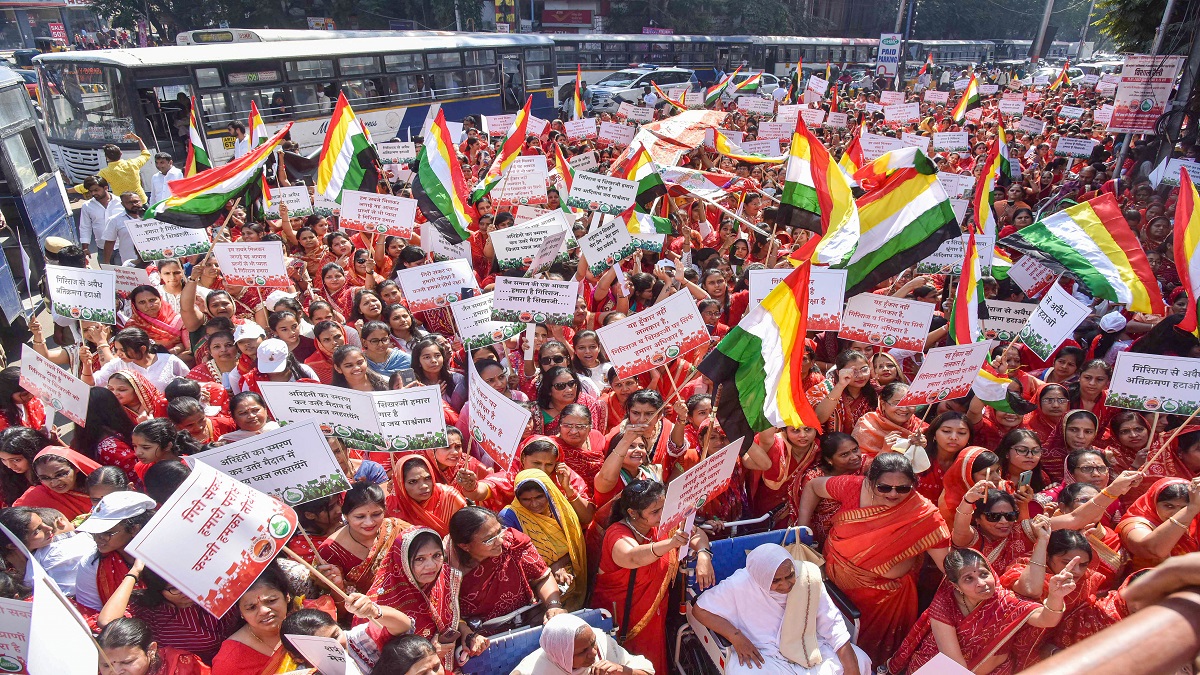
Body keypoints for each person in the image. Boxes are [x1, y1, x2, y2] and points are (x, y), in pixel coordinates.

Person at [796, 453, 950, 664]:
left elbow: (948, 566)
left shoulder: (924, 516)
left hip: (884, 602)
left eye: (903, 488)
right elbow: (813, 486)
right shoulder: (852, 487)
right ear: (869, 481)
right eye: (884, 487)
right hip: (833, 583)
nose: (893, 494)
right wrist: (803, 531)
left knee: (870, 654)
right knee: (829, 639)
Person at [884, 547, 1077, 674]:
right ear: (956, 586)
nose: (981, 583)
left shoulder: (1003, 601)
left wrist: (1055, 595)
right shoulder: (944, 604)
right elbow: (954, 663)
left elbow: (1046, 620)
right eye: (969, 579)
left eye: (984, 574)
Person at [591, 480, 714, 675]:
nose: (662, 515)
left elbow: (696, 534)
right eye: (654, 512)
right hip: (622, 620)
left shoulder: (664, 524)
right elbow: (632, 556)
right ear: (632, 513)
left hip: (654, 614)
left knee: (653, 663)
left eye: (664, 508)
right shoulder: (617, 534)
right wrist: (671, 543)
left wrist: (704, 555)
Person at [693, 543, 871, 675]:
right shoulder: (739, 584)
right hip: (765, 654)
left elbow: (833, 625)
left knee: (860, 660)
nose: (786, 585)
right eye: (776, 580)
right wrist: (736, 636)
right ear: (760, 577)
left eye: (790, 575)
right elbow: (700, 609)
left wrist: (851, 669)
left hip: (808, 645)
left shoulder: (807, 577)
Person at [366, 527, 488, 671]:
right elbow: (378, 661)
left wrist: (466, 632)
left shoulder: (444, 577)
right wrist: (429, 654)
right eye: (420, 559)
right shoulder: (380, 604)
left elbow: (449, 616)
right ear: (402, 560)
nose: (431, 566)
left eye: (437, 555)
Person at [448, 506, 567, 623]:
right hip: (480, 636)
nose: (500, 541)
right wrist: (467, 632)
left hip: (526, 618)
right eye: (489, 539)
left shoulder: (513, 542)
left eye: (499, 531)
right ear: (464, 546)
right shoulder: (447, 569)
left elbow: (541, 577)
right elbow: (449, 613)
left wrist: (553, 606)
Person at [497, 469, 588, 610]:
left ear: (549, 494)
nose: (534, 504)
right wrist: (549, 571)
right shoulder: (509, 516)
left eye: (539, 497)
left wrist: (559, 565)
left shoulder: (561, 511)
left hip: (567, 573)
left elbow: (575, 545)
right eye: (526, 500)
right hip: (534, 583)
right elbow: (510, 560)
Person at [317, 482, 409, 594]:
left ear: (384, 510)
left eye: (376, 514)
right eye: (360, 517)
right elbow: (335, 601)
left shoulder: (396, 528)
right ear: (345, 515)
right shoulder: (330, 551)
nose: (369, 523)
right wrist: (338, 585)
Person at [74, 491, 157, 612]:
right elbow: (90, 611)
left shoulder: (162, 554)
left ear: (135, 529)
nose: (97, 538)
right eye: (94, 532)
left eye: (107, 533)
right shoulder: (91, 564)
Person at [512, 612, 655, 675]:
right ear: (562, 655)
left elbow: (647, 671)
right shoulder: (534, 671)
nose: (593, 653)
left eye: (592, 643)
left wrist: (621, 671)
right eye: (582, 651)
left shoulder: (601, 641)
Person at [385, 455, 465, 536]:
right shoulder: (391, 506)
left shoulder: (450, 498)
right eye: (413, 481)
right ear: (401, 484)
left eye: (427, 478)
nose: (424, 486)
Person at [97, 617, 210, 675]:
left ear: (151, 650)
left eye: (126, 662)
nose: (116, 672)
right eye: (106, 665)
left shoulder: (181, 665)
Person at [14, 447, 99, 519]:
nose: (54, 483)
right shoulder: (36, 497)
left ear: (76, 468)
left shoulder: (102, 483)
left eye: (60, 474)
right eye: (45, 478)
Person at [72, 134, 152, 203]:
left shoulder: (105, 172)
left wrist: (69, 190)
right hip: (141, 201)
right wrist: (139, 139)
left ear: (106, 158)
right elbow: (146, 154)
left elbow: (90, 185)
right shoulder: (133, 163)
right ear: (121, 153)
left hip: (123, 204)